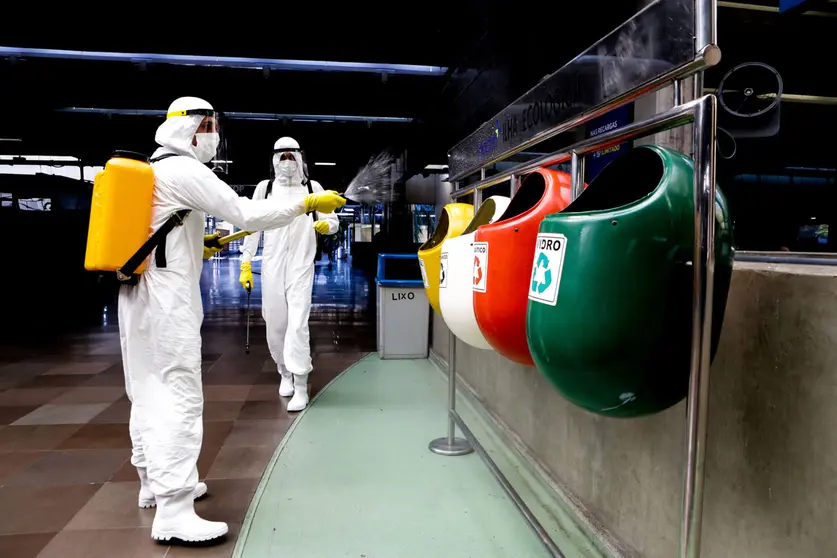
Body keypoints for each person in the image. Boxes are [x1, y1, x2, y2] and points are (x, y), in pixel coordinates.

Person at [118, 98, 345, 543]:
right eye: (212, 126)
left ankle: (152, 482)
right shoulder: (185, 170)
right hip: (167, 300)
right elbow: (248, 214)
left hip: (140, 294)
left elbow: (163, 229)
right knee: (178, 390)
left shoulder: (157, 166)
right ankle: (176, 509)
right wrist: (307, 204)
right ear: (196, 127)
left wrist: (199, 243)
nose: (215, 135)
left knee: (145, 388)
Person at [240, 137, 339, 412]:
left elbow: (332, 220)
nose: (286, 162)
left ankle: (300, 384)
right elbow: (251, 226)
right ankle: (283, 371)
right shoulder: (265, 188)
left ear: (299, 158)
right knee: (275, 323)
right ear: (274, 160)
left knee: (297, 323)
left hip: (301, 264)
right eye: (281, 157)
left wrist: (325, 225)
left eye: (290, 156)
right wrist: (245, 262)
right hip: (271, 266)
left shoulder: (312, 187)